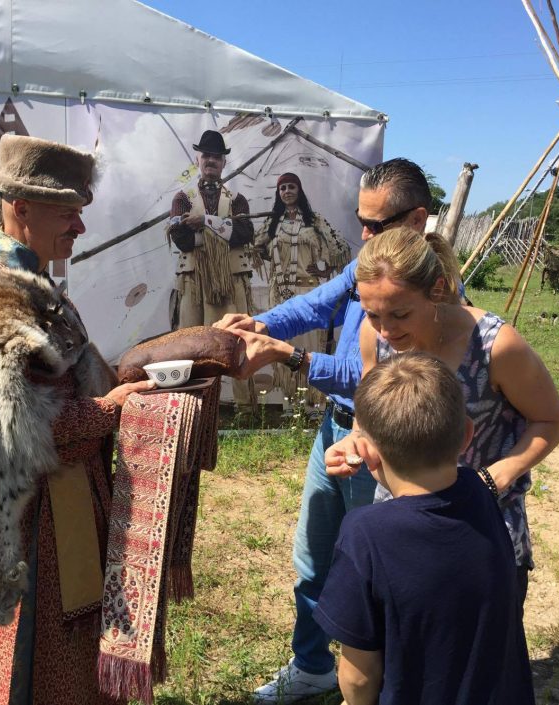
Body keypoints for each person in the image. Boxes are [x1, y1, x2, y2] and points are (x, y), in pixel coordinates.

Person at [0, 134, 153, 705]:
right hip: (34, 523)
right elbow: (10, 435)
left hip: (64, 505)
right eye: (69, 214)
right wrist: (113, 408)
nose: (79, 229)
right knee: (36, 660)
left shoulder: (33, 290)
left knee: (66, 652)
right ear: (21, 208)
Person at [214, 159, 432, 702]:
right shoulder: (366, 264)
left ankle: (384, 684)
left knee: (376, 577)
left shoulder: (432, 296)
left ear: (418, 220)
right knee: (312, 562)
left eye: (376, 225)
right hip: (333, 435)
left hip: (379, 449)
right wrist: (260, 325)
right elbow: (317, 302)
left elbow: (382, 379)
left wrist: (291, 359)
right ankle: (313, 668)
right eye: (361, 221)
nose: (364, 234)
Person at [326, 226, 559, 613]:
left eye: (400, 313)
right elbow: (369, 416)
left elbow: (551, 421)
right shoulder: (376, 338)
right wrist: (355, 440)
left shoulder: (495, 345)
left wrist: (497, 477)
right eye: (372, 315)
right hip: (399, 522)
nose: (386, 330)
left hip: (480, 525)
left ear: (437, 290)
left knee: (478, 654)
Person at [316, 352, 536, 705]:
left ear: (366, 452)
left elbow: (359, 675)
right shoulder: (481, 493)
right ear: (466, 434)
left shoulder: (365, 533)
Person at [167, 129, 255, 409]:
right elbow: (180, 239)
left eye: (217, 157)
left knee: (236, 339)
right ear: (198, 159)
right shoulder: (182, 198)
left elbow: (245, 232)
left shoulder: (237, 198)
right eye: (207, 155)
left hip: (229, 281)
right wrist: (219, 231)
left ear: (224, 162)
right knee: (191, 341)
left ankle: (244, 408)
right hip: (194, 281)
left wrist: (203, 221)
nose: (211, 161)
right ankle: (190, 404)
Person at [253, 172, 351, 406]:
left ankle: (314, 403)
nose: (287, 191)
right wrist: (273, 259)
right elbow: (255, 247)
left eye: (291, 187)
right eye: (283, 188)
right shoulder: (272, 223)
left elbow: (341, 247)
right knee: (284, 348)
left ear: (299, 191)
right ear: (279, 194)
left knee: (310, 349)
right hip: (280, 293)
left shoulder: (314, 221)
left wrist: (326, 269)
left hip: (308, 292)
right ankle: (290, 403)